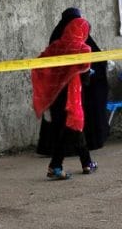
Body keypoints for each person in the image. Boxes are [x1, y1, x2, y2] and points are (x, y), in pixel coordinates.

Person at [36, 8, 109, 155]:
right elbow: (95, 63)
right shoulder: (80, 39)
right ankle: (82, 152)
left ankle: (62, 153)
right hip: (74, 89)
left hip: (59, 87)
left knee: (65, 118)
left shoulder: (57, 37)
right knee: (74, 117)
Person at [32, 17, 96, 180]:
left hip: (54, 95)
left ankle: (86, 163)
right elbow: (86, 79)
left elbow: (40, 62)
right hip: (71, 96)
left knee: (70, 128)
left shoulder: (55, 46)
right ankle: (56, 166)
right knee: (72, 127)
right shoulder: (83, 49)